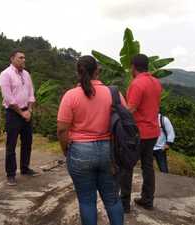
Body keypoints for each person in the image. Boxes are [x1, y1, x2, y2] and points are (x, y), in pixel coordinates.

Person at [57, 55, 124, 225]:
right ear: (97, 71)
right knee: (112, 199)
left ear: (78, 73)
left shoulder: (70, 96)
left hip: (80, 151)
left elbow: (62, 129)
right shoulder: (114, 93)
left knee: (87, 201)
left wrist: (66, 150)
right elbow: (125, 122)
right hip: (109, 151)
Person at [121, 54, 162, 212]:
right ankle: (148, 200)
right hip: (153, 131)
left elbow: (130, 109)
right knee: (148, 167)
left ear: (133, 66)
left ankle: (124, 204)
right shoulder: (156, 82)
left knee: (127, 166)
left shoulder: (137, 84)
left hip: (138, 133)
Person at [0, 50, 37, 186]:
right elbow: (8, 98)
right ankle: (11, 174)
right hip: (13, 113)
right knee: (11, 144)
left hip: (27, 112)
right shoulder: (5, 74)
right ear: (12, 59)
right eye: (20, 58)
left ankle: (25, 168)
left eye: (24, 58)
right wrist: (21, 112)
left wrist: (29, 110)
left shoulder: (26, 74)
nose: (23, 60)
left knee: (27, 142)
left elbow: (31, 93)